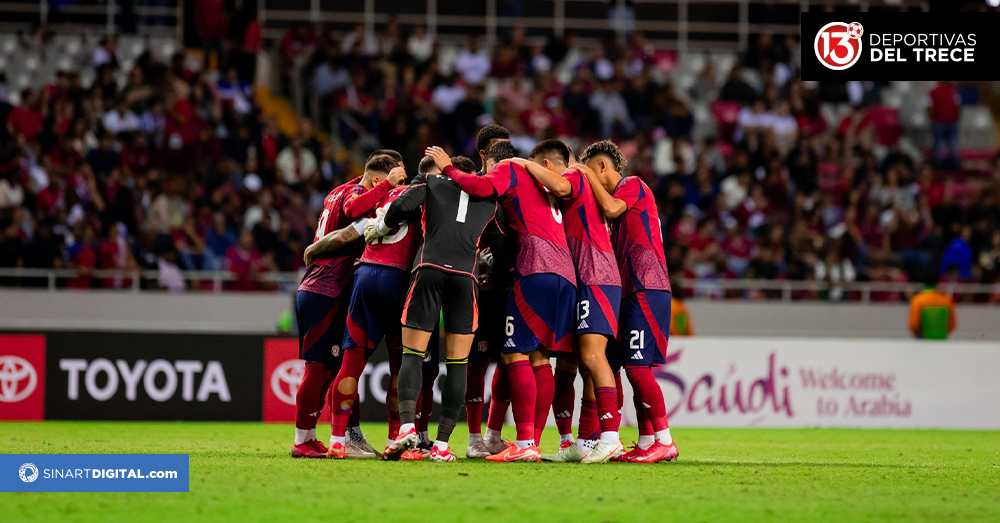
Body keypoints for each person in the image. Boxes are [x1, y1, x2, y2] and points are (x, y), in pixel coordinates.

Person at [441, 140, 578, 463]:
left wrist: (447, 166)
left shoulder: (510, 168)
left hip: (533, 269)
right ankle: (534, 442)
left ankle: (525, 442)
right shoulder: (544, 182)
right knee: (541, 358)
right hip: (565, 273)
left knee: (513, 354)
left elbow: (479, 186)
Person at [371, 149, 501, 462]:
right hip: (465, 278)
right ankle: (442, 445)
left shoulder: (429, 180)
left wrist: (383, 227)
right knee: (458, 363)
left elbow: (399, 207)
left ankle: (406, 429)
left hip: (428, 269)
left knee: (412, 354)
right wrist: (485, 269)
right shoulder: (491, 202)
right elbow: (499, 249)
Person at [512, 139, 625, 463]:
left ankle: (611, 436)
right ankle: (588, 440)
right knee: (581, 364)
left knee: (591, 357)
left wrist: (523, 163)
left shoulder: (575, 175)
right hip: (589, 278)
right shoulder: (583, 186)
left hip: (596, 276)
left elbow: (561, 185)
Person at [289, 154, 401, 459]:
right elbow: (347, 232)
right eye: (396, 181)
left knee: (339, 367)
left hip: (321, 286)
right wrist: (314, 248)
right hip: (327, 287)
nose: (399, 188)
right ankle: (303, 439)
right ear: (380, 180)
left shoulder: (338, 191)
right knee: (320, 367)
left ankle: (347, 435)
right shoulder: (362, 197)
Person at [580, 140, 679, 463]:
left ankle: (664, 440)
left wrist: (583, 173)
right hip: (629, 290)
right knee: (625, 365)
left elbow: (610, 208)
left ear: (603, 167)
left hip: (646, 287)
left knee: (637, 367)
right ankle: (647, 440)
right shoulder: (618, 200)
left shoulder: (632, 186)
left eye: (591, 168)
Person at [325, 158, 416, 459]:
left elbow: (350, 219)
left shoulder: (379, 197)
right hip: (398, 279)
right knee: (398, 366)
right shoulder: (418, 195)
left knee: (351, 363)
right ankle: (395, 439)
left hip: (365, 274)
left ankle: (338, 440)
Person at [465, 124, 515, 459]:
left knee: (511, 363)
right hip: (481, 290)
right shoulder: (471, 190)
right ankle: (472, 439)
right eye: (498, 152)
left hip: (511, 289)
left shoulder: (515, 188)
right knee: (477, 364)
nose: (505, 159)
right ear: (483, 155)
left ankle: (494, 434)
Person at [909, 271, 956, 339]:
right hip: (942, 341)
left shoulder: (918, 300)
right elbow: (952, 325)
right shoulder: (947, 300)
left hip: (922, 341)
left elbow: (913, 324)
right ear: (937, 282)